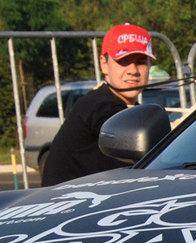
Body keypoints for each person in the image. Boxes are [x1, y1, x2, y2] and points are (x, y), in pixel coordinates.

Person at [39, 23, 155, 187]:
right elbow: (161, 145)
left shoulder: (122, 106)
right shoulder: (101, 106)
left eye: (141, 62)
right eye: (123, 61)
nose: (133, 70)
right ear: (104, 64)